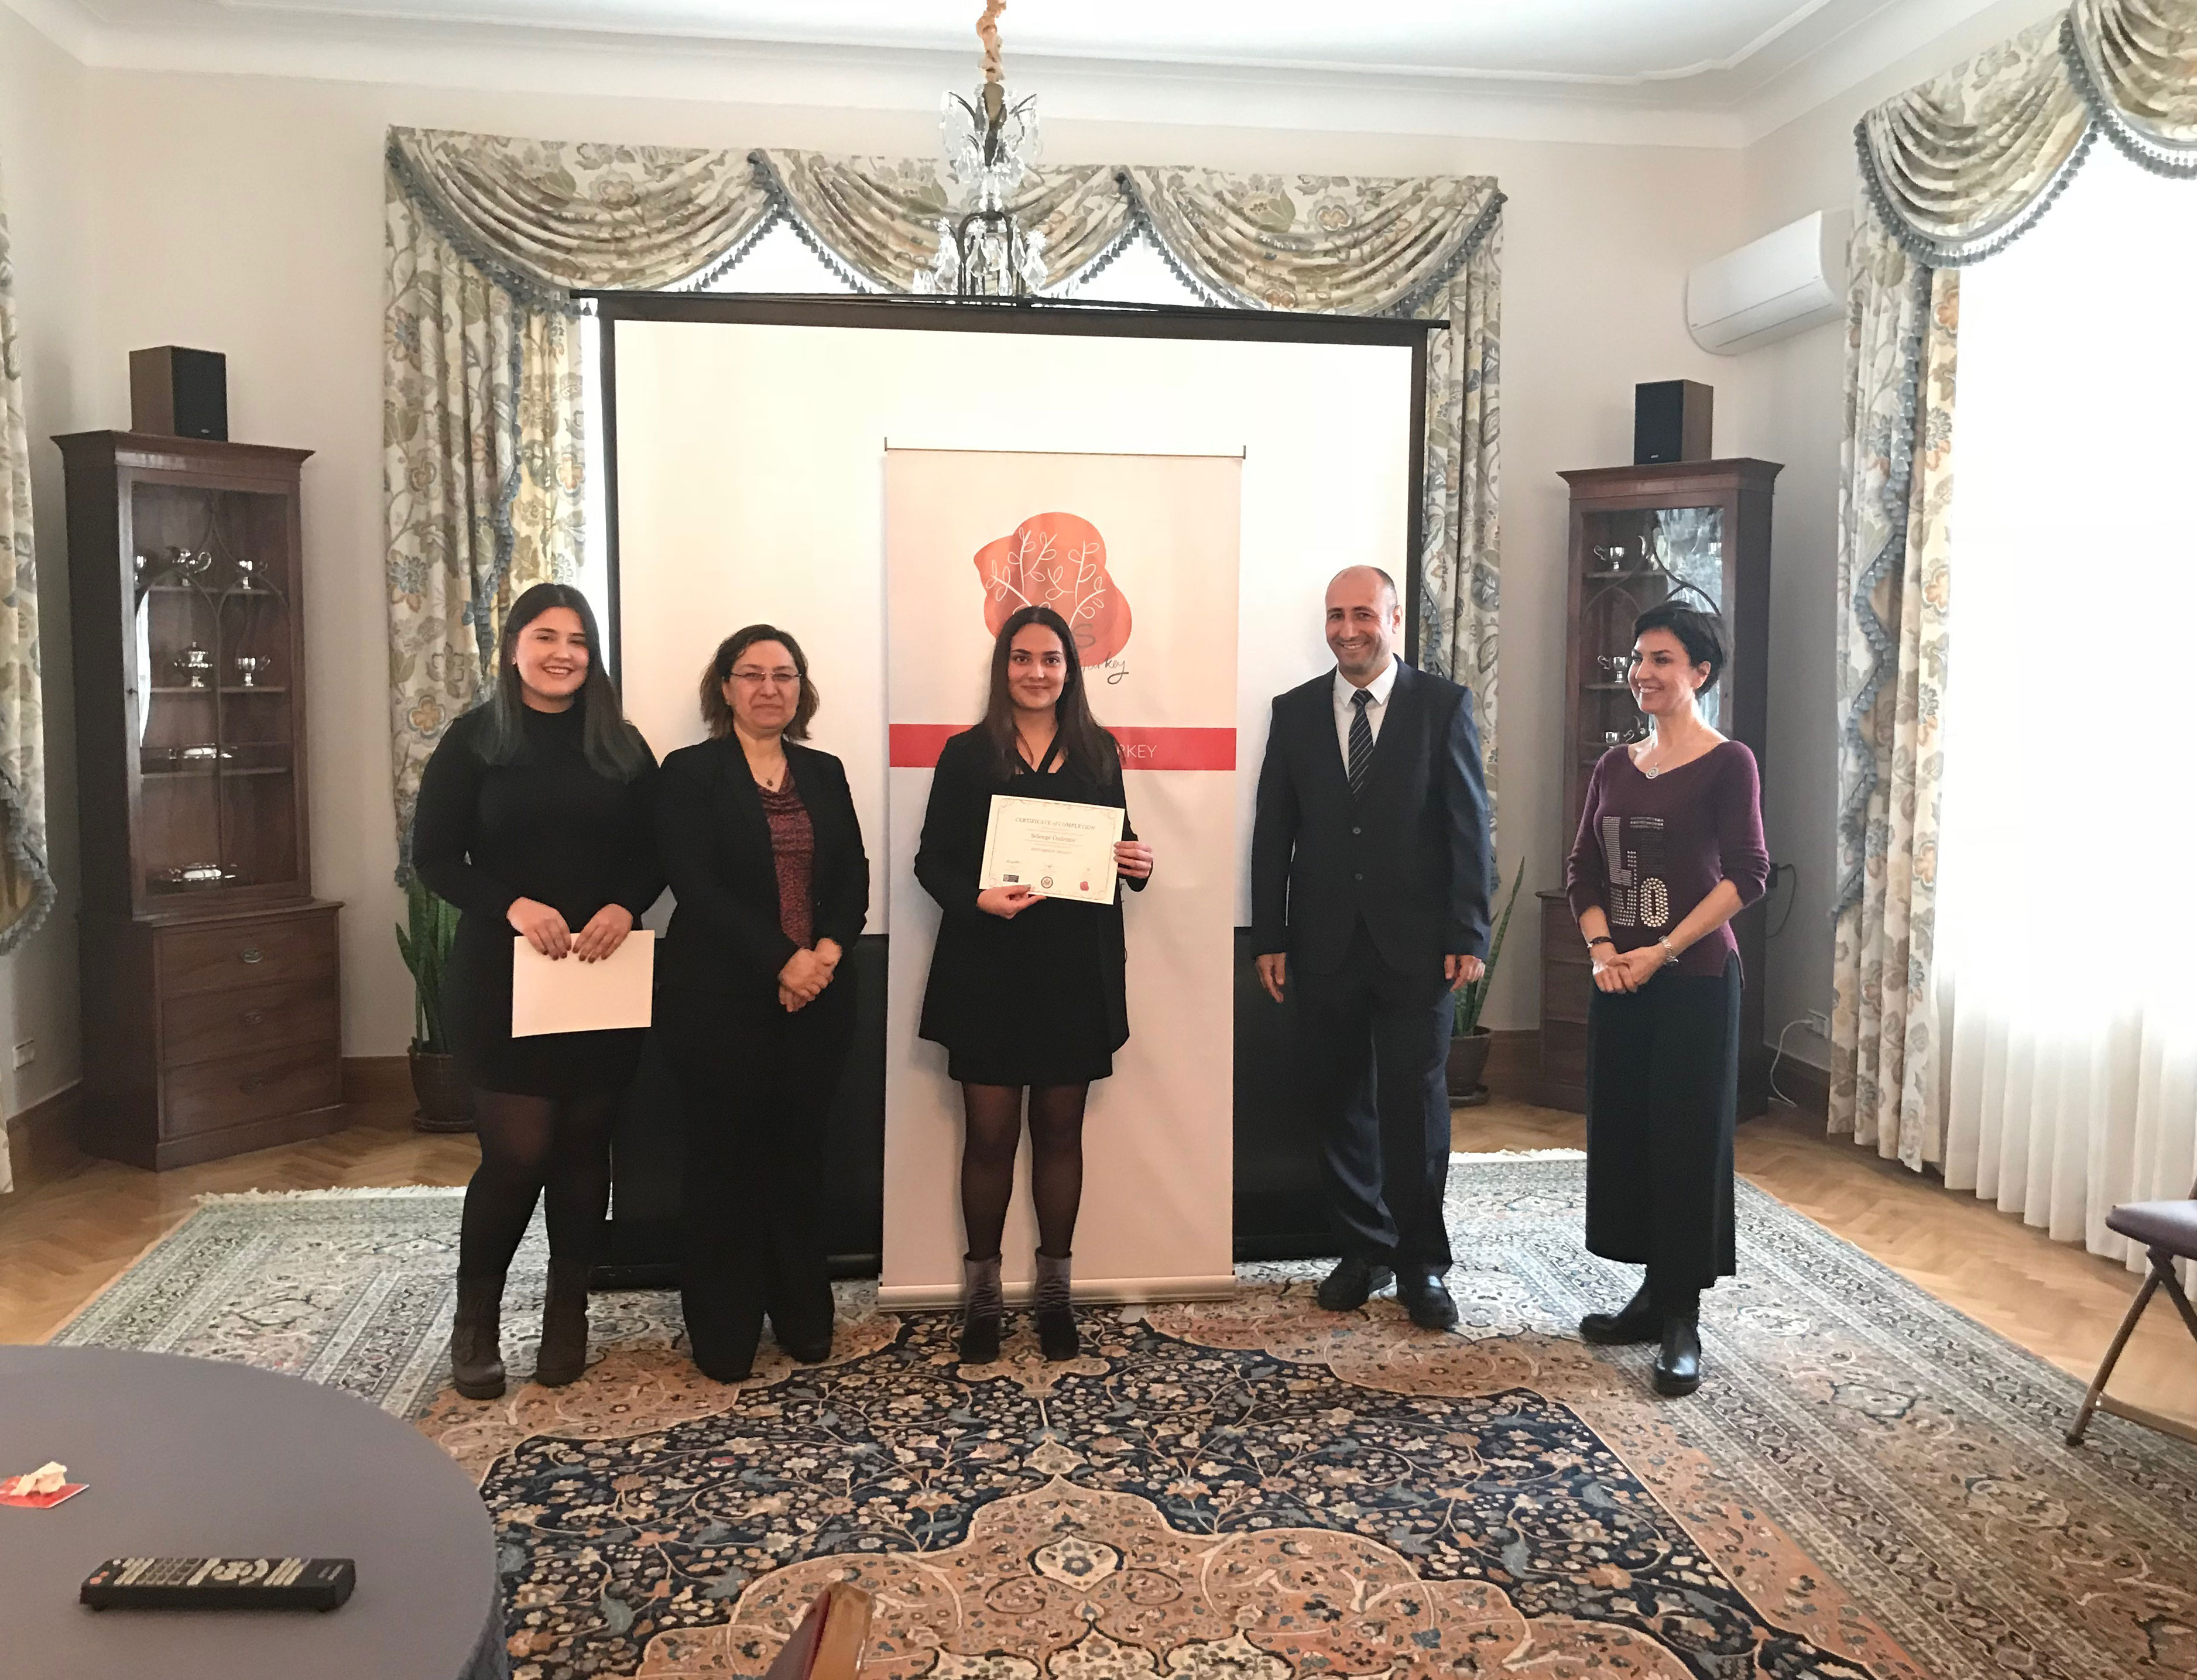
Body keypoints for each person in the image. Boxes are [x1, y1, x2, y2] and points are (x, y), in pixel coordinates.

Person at [414, 582, 662, 1401]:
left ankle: (567, 1309)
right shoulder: (476, 740)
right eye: (547, 635)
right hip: (502, 973)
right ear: (514, 644)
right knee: (518, 1153)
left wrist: (625, 905)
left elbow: (659, 854)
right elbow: (437, 858)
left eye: (579, 640)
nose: (564, 653)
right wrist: (513, 905)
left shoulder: (621, 746)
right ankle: (475, 1319)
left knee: (588, 1149)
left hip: (600, 972)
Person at [1251, 565, 1492, 1330]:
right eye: (1334, 615)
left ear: (1393, 619)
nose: (1347, 629)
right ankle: (1363, 1247)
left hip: (1417, 947)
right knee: (1337, 1102)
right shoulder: (1292, 713)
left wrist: (1468, 932)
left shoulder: (1441, 706)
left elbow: (1467, 825)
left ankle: (1422, 1263)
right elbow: (1272, 833)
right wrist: (1270, 934)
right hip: (1321, 944)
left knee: (1413, 1108)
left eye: (1362, 614)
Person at [915, 604, 1155, 1363]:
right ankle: (980, 1299)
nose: (1036, 672)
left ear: (1068, 670)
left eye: (1050, 659)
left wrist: (1138, 865)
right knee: (988, 1138)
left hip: (1072, 973)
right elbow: (931, 861)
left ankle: (1054, 1296)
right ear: (1003, 667)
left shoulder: (1098, 750)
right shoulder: (964, 754)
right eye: (1022, 658)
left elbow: (1117, 849)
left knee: (1059, 1134)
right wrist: (975, 897)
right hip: (986, 967)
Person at [653, 626, 870, 1383]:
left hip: (817, 998)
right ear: (725, 687)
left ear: (800, 688)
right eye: (751, 674)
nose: (768, 687)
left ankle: (803, 1317)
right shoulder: (688, 771)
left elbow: (851, 873)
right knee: (722, 1164)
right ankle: (724, 1330)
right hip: (715, 998)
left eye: (784, 675)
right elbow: (695, 883)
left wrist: (826, 957)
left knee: (798, 1159)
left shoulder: (823, 769)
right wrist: (785, 958)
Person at [1565, 604, 1768, 1397]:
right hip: (1619, 980)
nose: (1642, 672)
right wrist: (1604, 950)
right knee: (1629, 1136)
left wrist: (1661, 949)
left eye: (1661, 659)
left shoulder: (1729, 763)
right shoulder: (1614, 766)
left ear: (1699, 672)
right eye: (1636, 658)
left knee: (1685, 1141)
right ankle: (1647, 1296)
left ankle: (1680, 1315)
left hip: (1691, 980)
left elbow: (1746, 873)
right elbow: (1582, 866)